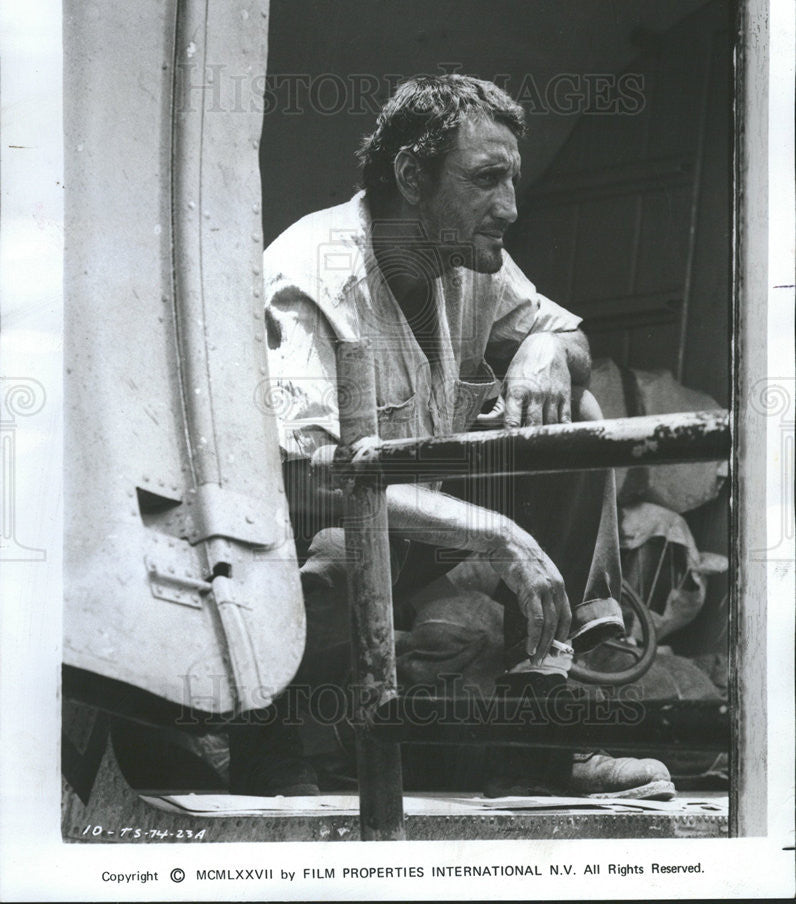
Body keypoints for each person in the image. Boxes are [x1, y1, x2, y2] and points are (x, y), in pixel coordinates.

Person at [231, 74, 674, 801]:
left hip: (424, 527)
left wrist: (546, 351)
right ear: (411, 174)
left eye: (514, 180)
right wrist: (497, 532)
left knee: (576, 415)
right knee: (335, 561)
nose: (509, 206)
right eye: (486, 180)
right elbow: (307, 472)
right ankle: (271, 739)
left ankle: (535, 742)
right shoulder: (309, 273)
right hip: (312, 539)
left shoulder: (467, 256)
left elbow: (566, 333)